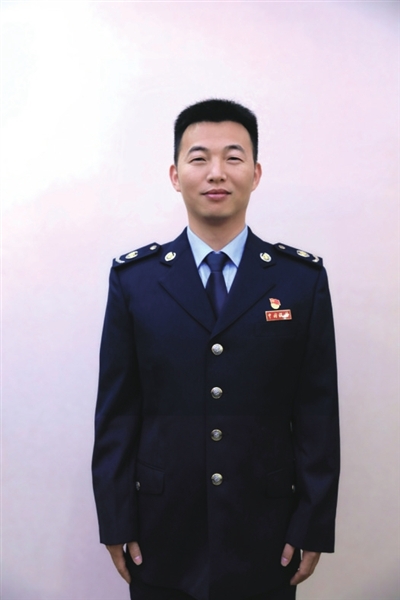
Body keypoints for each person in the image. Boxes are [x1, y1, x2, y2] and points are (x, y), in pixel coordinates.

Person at [92, 99, 340, 600]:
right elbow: (117, 413)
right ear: (175, 174)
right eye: (199, 157)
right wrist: (115, 519)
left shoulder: (300, 281)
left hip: (266, 534)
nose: (216, 173)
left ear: (256, 173)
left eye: (233, 157)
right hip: (161, 532)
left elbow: (316, 412)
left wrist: (313, 522)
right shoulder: (135, 281)